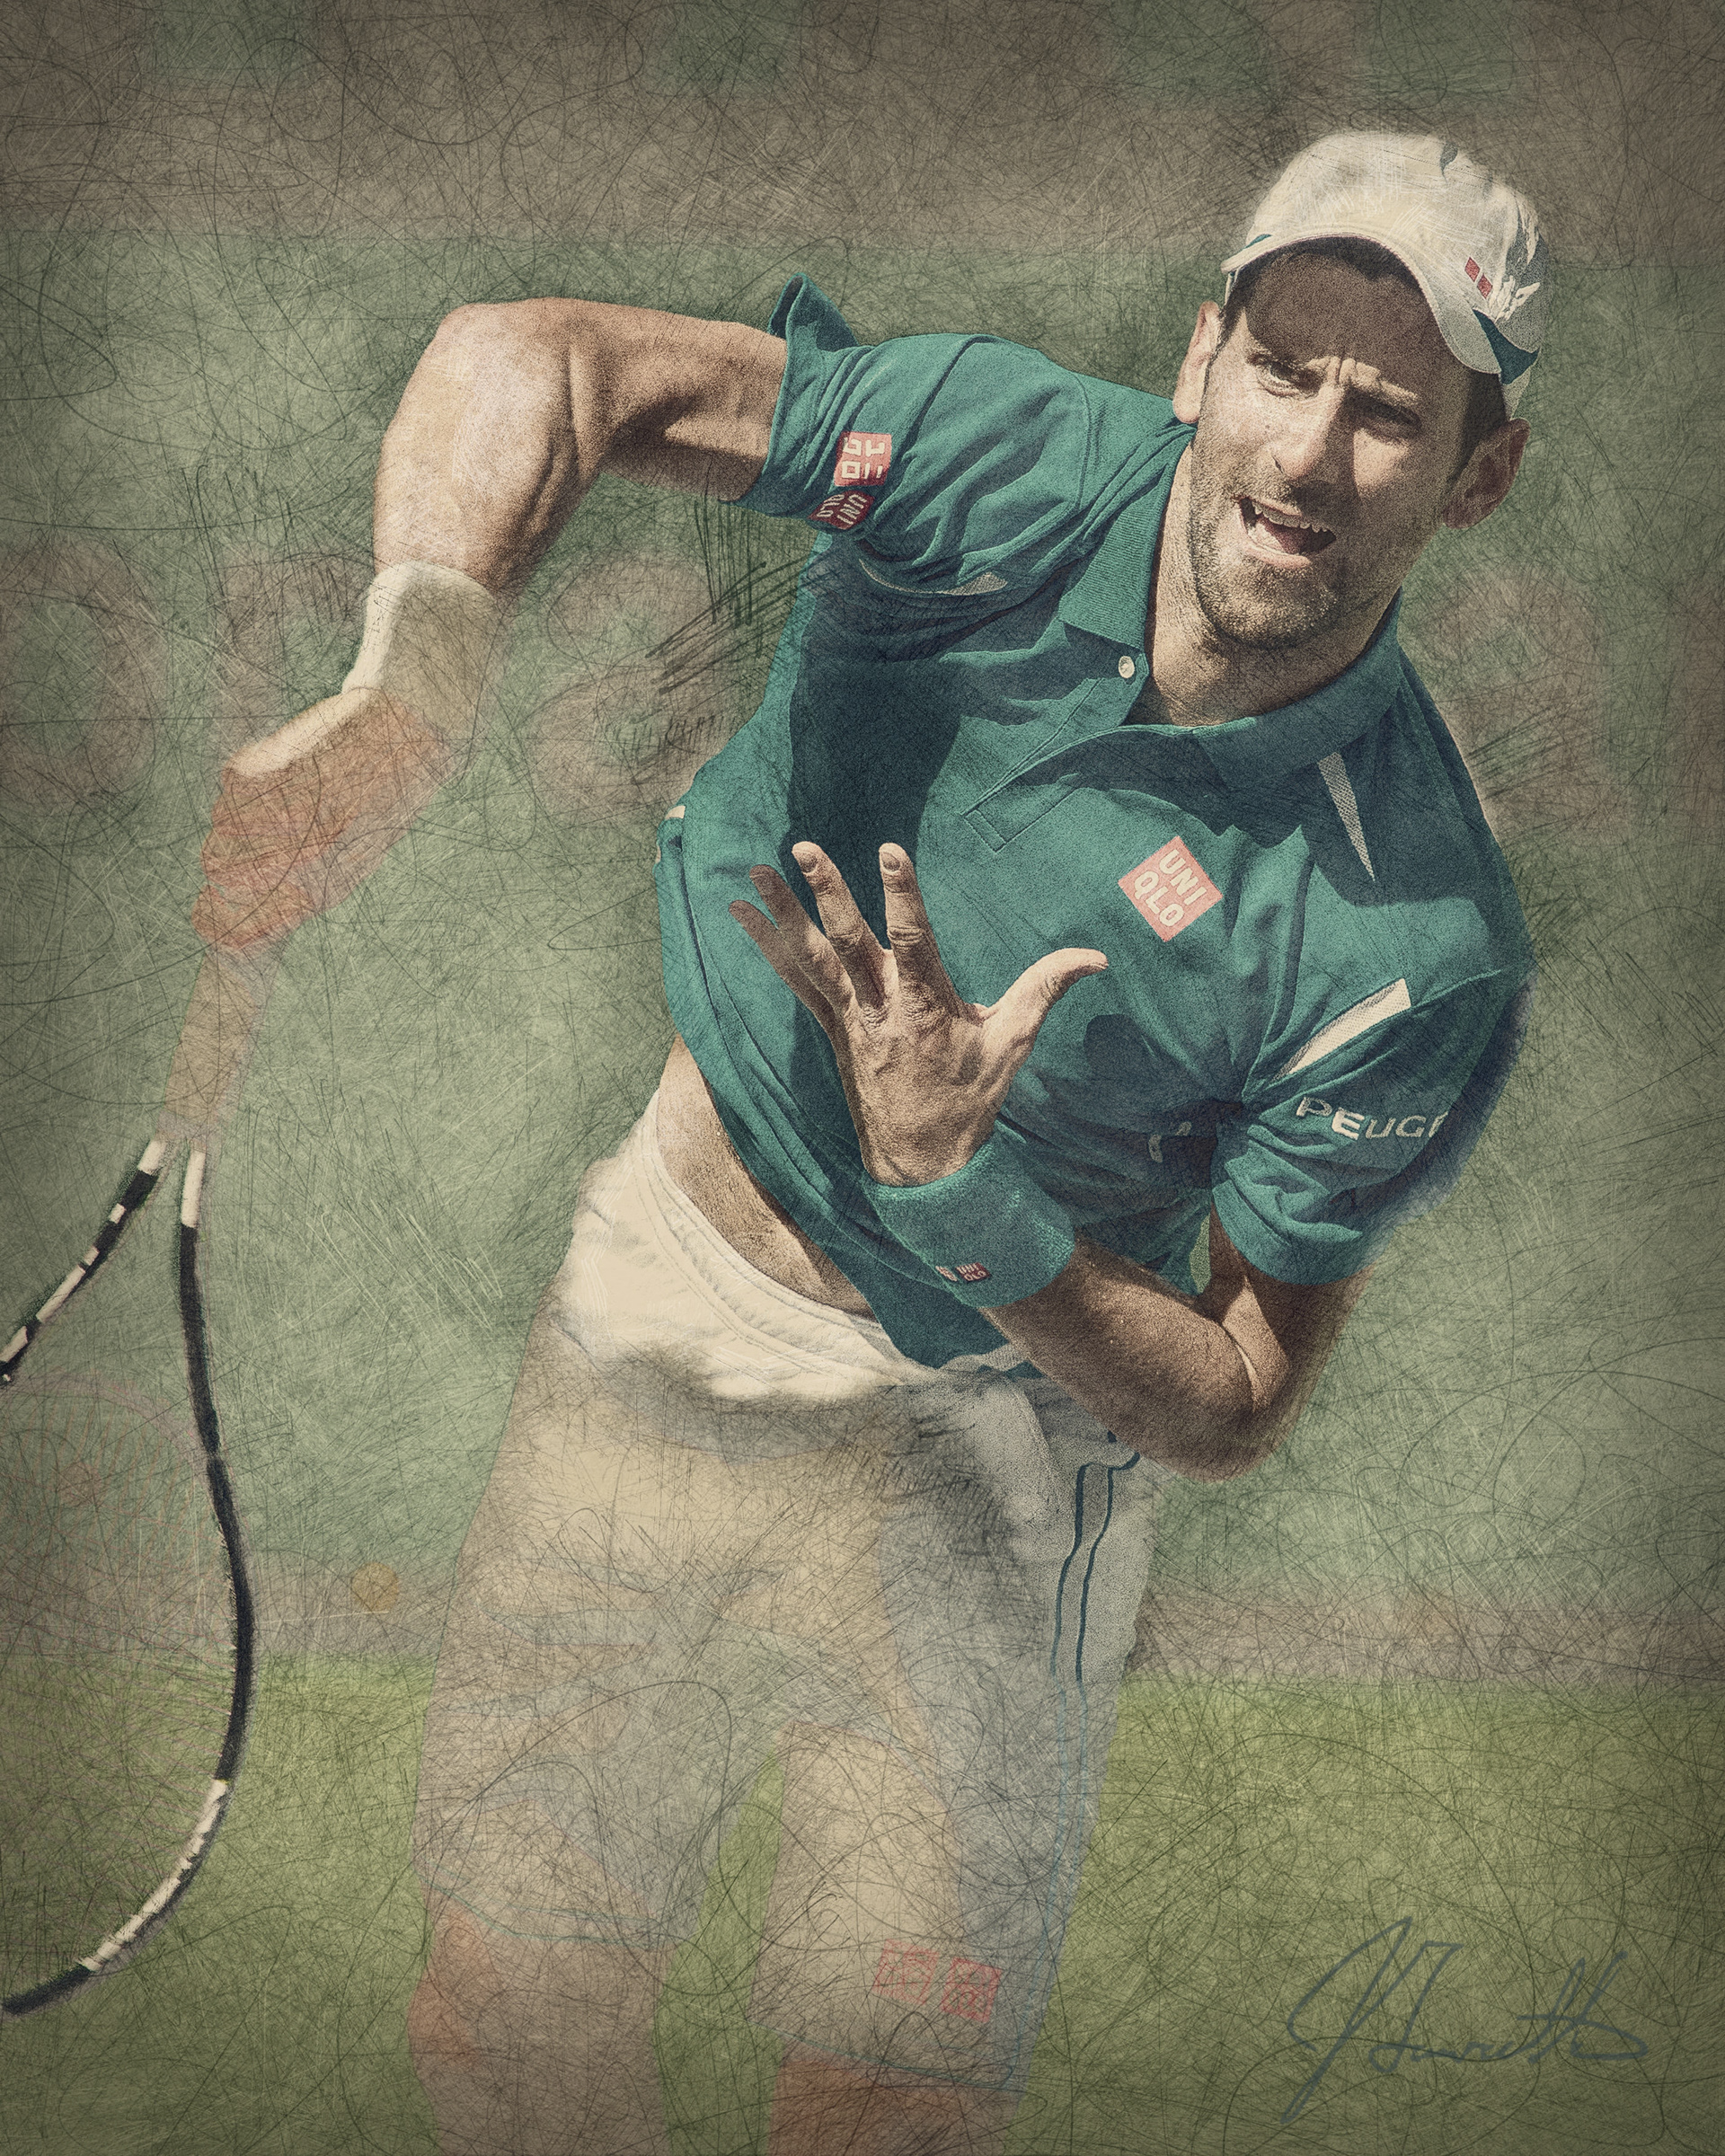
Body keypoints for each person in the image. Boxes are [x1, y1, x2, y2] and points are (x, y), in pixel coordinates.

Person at [192, 132, 1548, 2154]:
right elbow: (546, 359)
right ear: (1204, 357)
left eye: (1391, 411)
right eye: (1286, 369)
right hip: (664, 1317)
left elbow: (1239, 1394)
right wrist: (421, 676)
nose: (1311, 453)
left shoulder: (1414, 935)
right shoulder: (1000, 460)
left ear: (1478, 474)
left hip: (1004, 1455)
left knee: (887, 2113)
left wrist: (965, 1196)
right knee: (509, 2020)